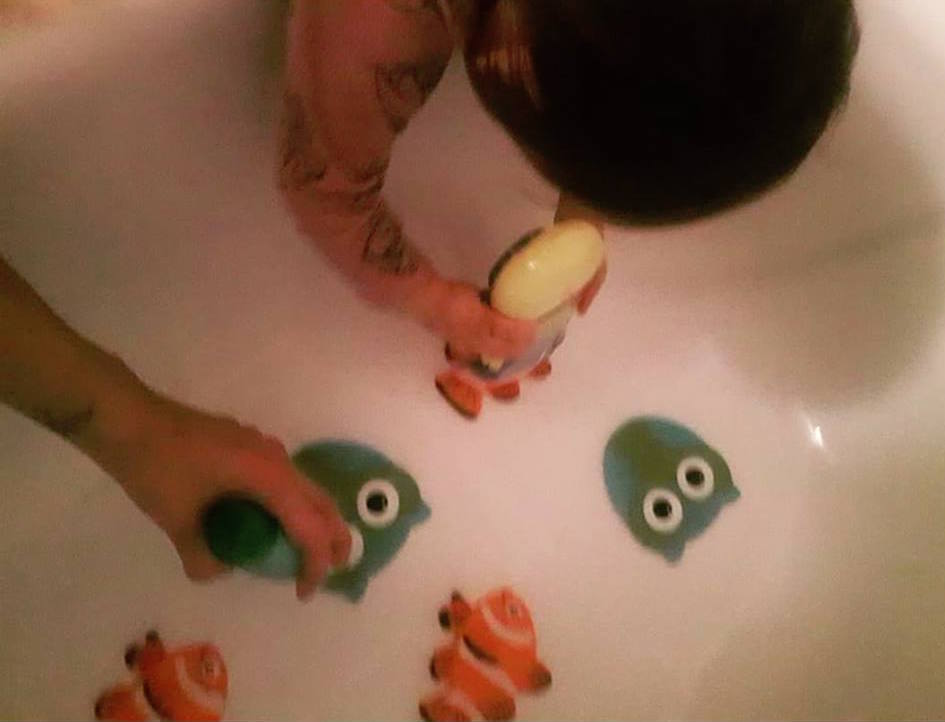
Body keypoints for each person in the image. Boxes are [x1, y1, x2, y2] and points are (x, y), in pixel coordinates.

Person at [0, 0, 859, 598]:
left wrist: (586, 200)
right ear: (501, 59)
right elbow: (323, 185)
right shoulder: (385, 20)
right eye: (558, 167)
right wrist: (429, 299)